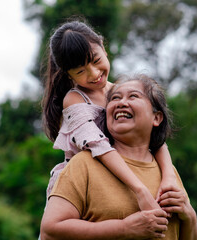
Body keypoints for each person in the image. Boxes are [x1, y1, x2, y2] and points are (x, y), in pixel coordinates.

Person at [40, 74, 197, 240]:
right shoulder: (83, 164)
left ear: (156, 117)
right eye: (115, 98)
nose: (121, 103)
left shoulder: (168, 173)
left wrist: (189, 215)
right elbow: (50, 231)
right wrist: (124, 228)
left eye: (133, 96)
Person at [42, 19, 178, 211]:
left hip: (121, 177)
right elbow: (99, 146)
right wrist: (140, 189)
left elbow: (154, 138)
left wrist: (169, 177)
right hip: (80, 188)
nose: (94, 74)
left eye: (96, 60)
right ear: (68, 75)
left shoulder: (119, 93)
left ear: (103, 47)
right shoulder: (75, 99)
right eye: (81, 71)